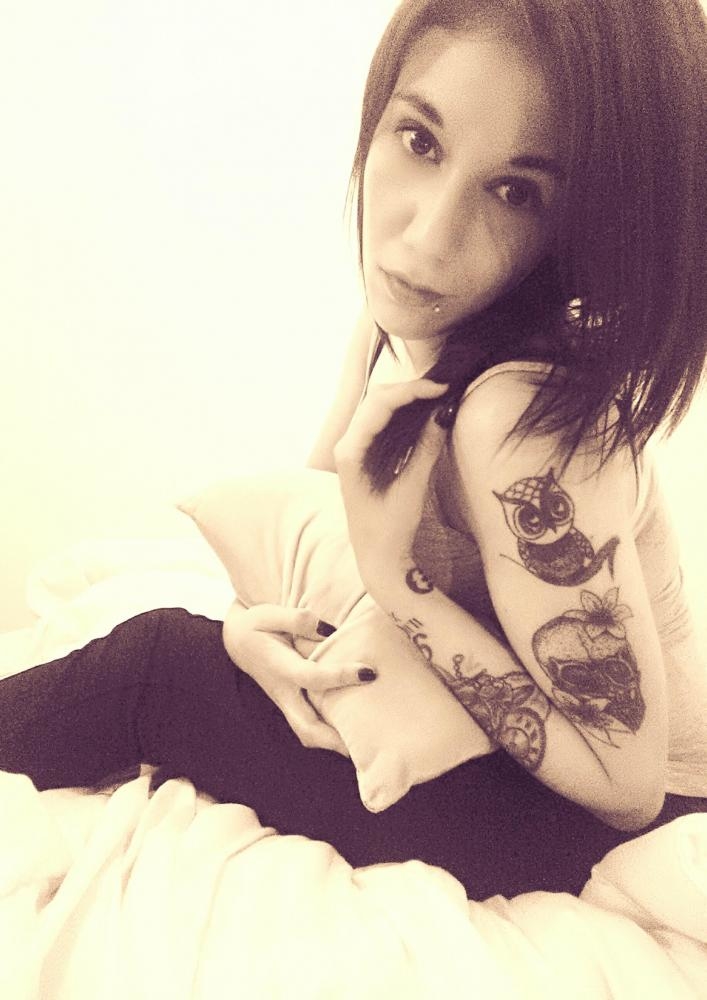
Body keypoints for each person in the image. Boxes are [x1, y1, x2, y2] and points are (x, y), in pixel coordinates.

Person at [2, 0, 706, 900]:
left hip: (609, 814)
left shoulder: (520, 422)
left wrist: (396, 580)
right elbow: (322, 524)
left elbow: (624, 784)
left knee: (157, 670)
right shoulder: (400, 320)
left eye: (515, 192)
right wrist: (261, 633)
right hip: (512, 750)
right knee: (195, 653)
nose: (425, 236)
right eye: (420, 141)